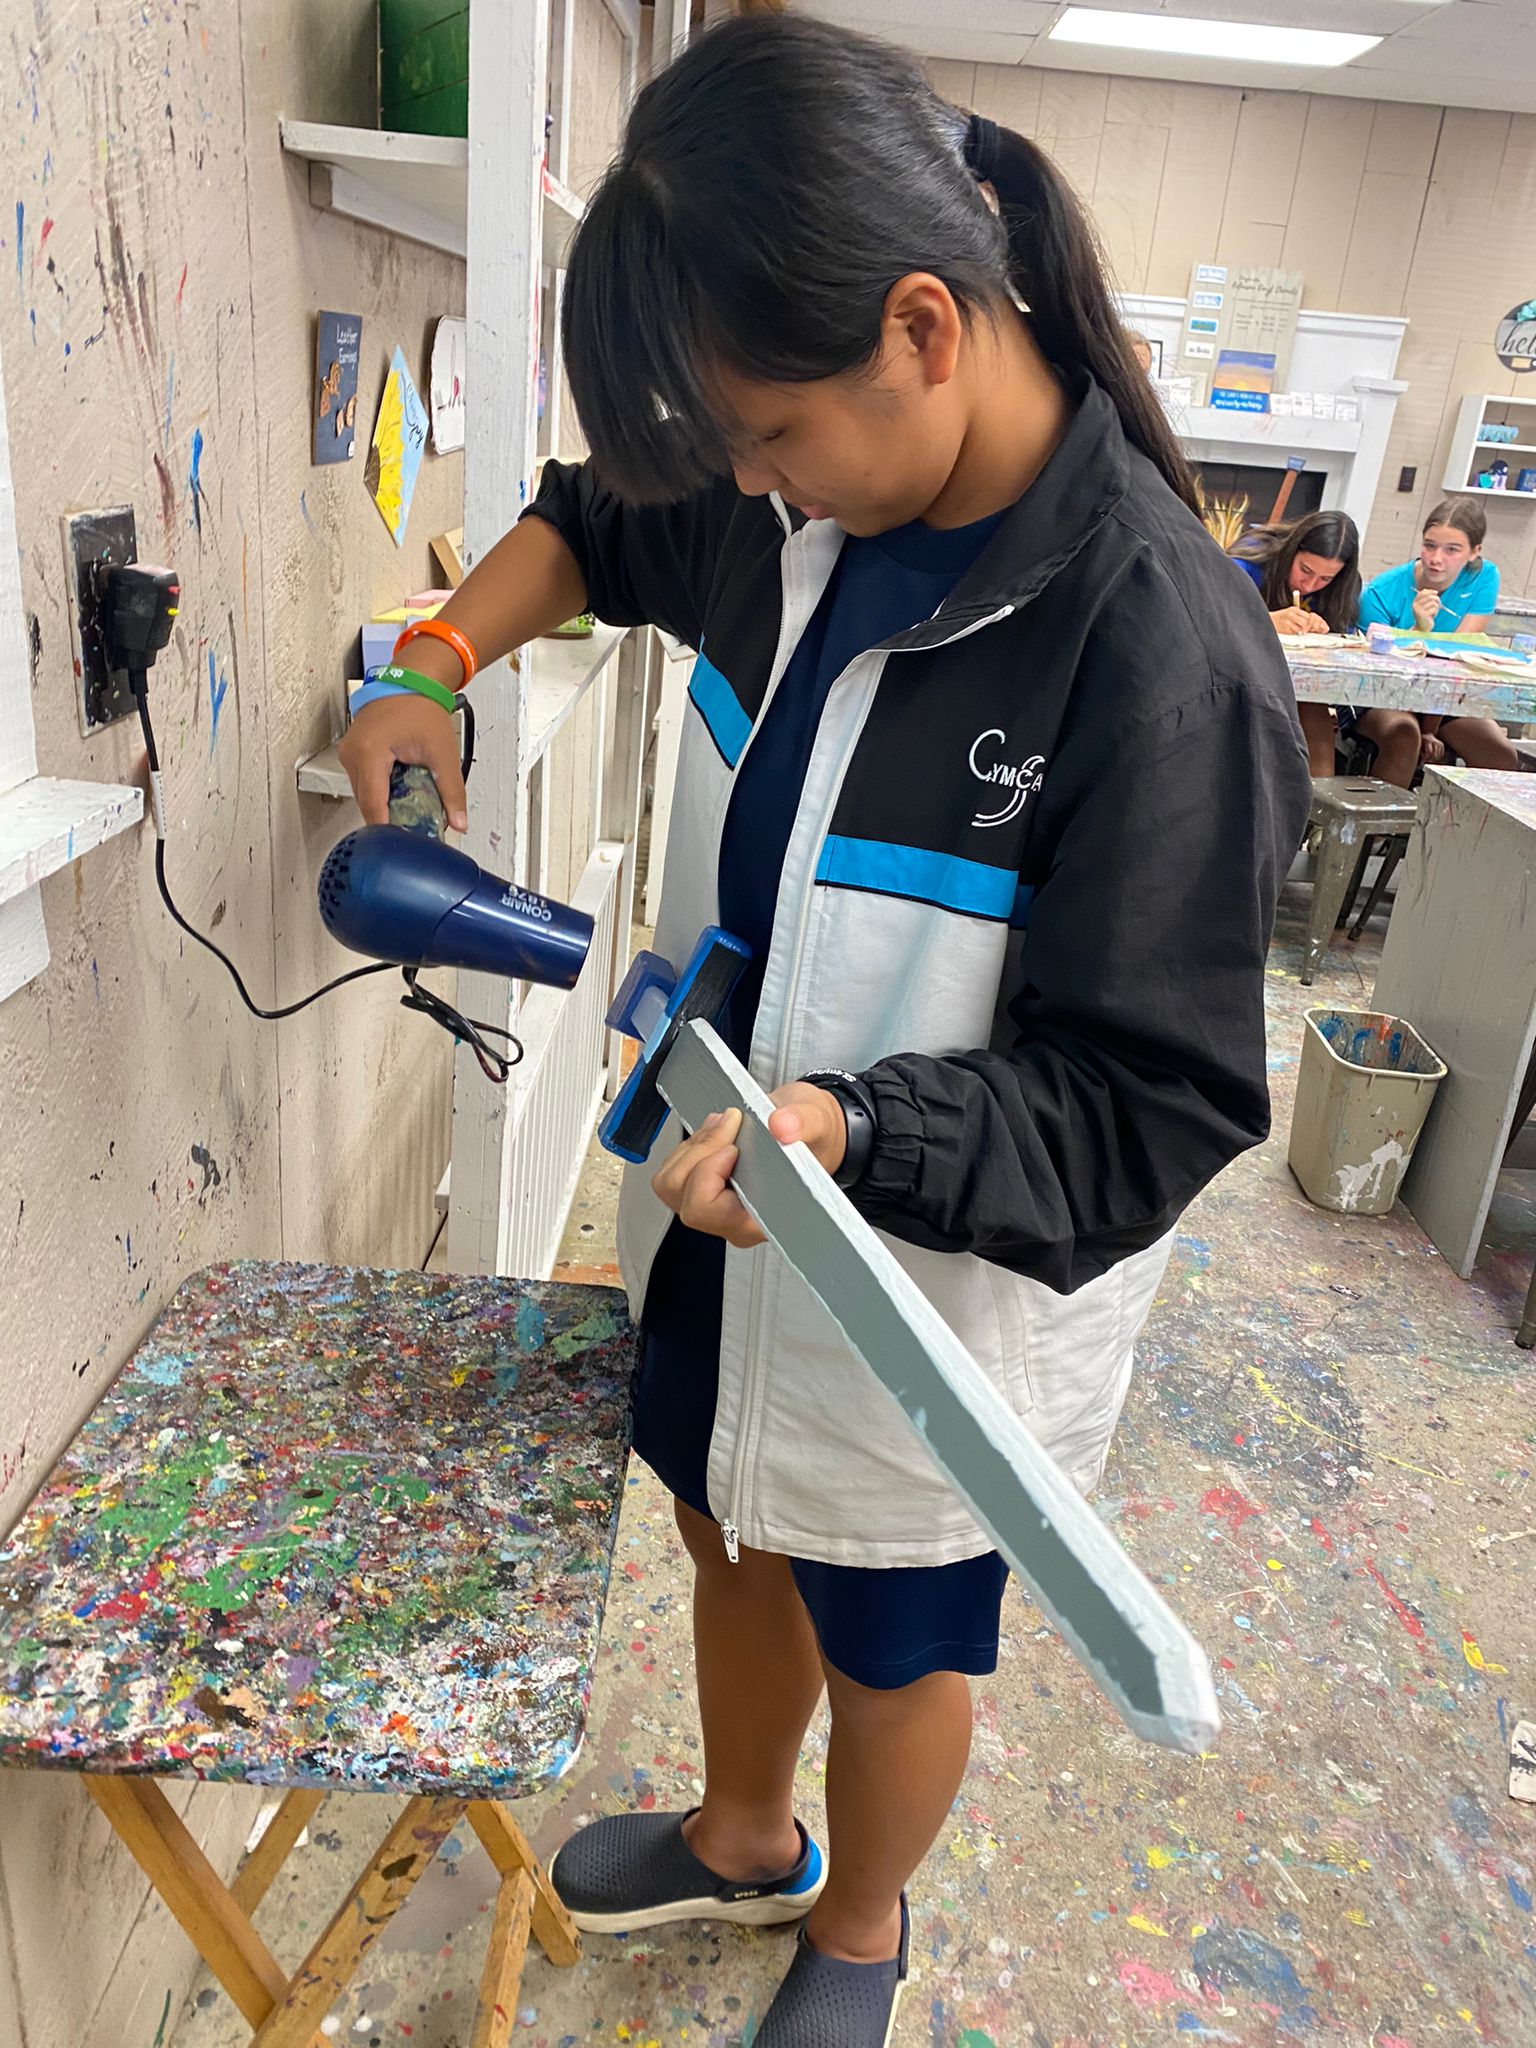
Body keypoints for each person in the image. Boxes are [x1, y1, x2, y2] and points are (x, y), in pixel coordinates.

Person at [337, 19, 1311, 2044]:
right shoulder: (788, 496)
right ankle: (741, 1828)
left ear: (924, 331)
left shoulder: (1156, 647)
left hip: (927, 1271)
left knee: (894, 1626)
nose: (742, 481)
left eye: (768, 432)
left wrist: (858, 1132)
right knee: (724, 1512)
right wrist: (429, 656)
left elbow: (1155, 1097)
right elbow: (592, 518)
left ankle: (859, 1924)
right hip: (730, 1174)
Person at [1356, 499, 1518, 783]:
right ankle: (1387, 814)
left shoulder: (1483, 577)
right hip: (1384, 696)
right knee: (1405, 737)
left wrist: (1431, 727)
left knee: (1500, 755)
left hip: (1446, 699)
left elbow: (1458, 657)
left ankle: (1453, 813)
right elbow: (1375, 674)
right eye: (1429, 545)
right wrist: (1418, 629)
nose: (1436, 558)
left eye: (1452, 549)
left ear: (1474, 552)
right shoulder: (1380, 593)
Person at [1230, 509, 1362, 775]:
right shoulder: (1249, 561)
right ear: (1293, 550)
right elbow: (1211, 615)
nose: (1310, 585)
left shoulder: (1342, 589)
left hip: (1301, 688)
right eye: (1305, 570)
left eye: (1325, 579)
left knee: (1315, 717)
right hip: (1241, 679)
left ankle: (1316, 799)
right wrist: (1265, 620)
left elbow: (1346, 638)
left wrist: (1324, 631)